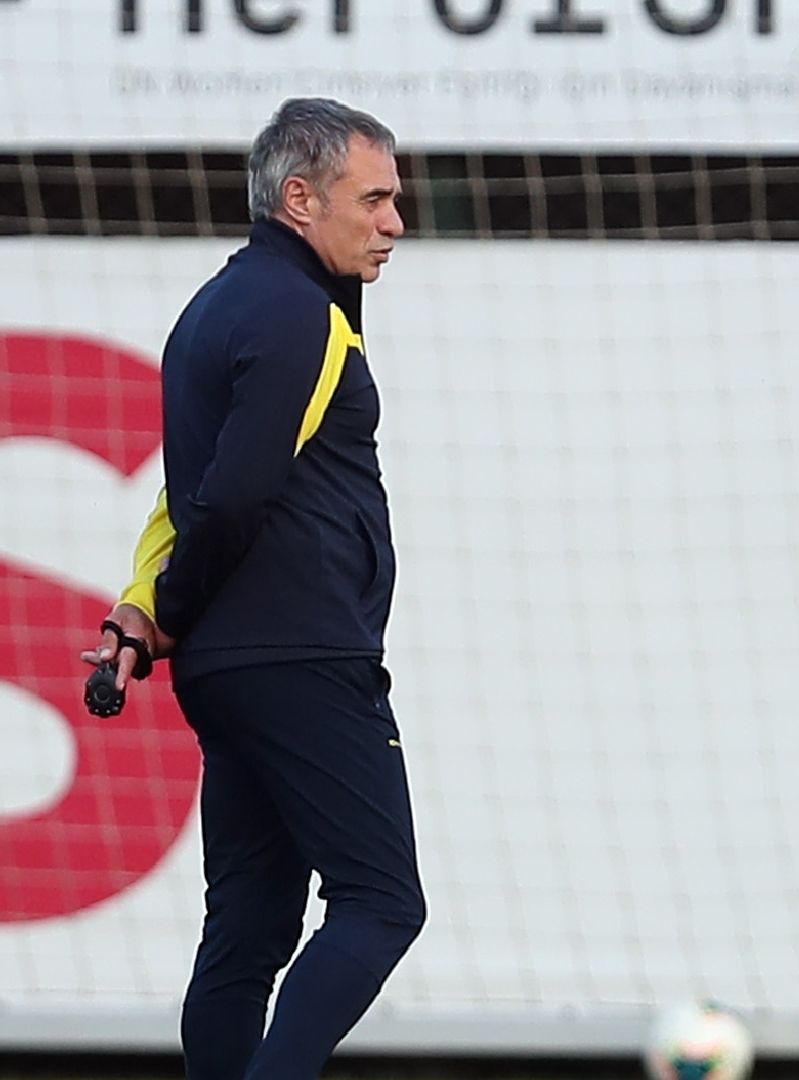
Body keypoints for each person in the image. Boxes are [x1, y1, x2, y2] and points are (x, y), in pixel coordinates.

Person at [79, 97, 423, 1080]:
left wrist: (144, 611)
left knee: (250, 929)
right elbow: (229, 500)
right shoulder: (298, 314)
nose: (395, 221)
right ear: (302, 198)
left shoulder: (217, 307)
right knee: (382, 901)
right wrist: (169, 610)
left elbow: (186, 493)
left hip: (233, 672)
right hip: (302, 658)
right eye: (378, 199)